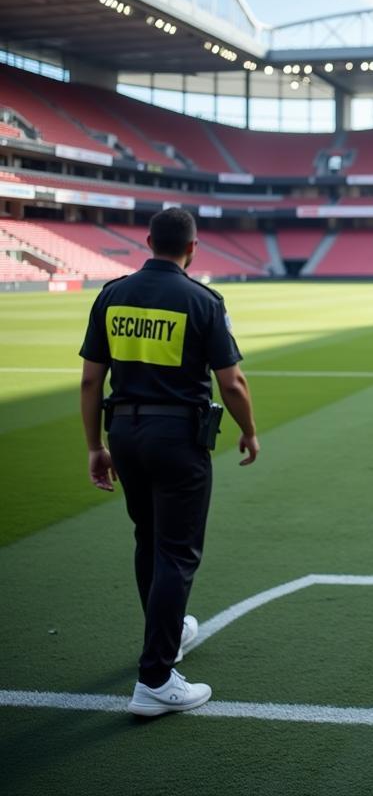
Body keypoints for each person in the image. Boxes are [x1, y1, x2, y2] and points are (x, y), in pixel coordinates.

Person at [79, 207, 260, 717]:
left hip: (126, 433)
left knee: (149, 539)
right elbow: (233, 383)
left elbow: (92, 380)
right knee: (177, 553)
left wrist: (95, 445)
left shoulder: (112, 294)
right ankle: (156, 677)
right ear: (193, 248)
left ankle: (169, 633)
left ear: (148, 241)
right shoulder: (202, 300)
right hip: (177, 438)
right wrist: (248, 431)